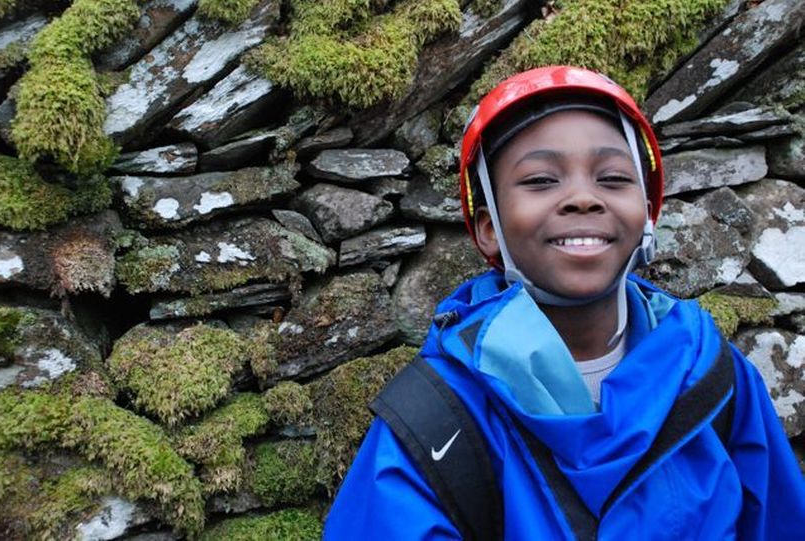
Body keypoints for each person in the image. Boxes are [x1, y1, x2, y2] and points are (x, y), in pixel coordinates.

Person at [323, 66, 805, 540]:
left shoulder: (716, 378)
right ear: (489, 229)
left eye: (612, 177)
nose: (582, 198)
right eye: (540, 180)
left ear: (647, 213)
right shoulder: (434, 423)